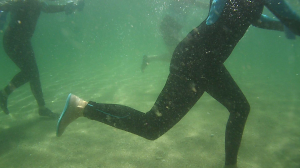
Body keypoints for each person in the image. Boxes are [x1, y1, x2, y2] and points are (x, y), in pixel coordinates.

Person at [56, 0, 300, 167]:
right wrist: (288, 23)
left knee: (240, 108)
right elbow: (288, 17)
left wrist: (282, 24)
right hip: (195, 60)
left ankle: (230, 165)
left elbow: (255, 17)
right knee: (152, 126)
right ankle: (81, 107)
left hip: (203, 61)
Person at [0, 0, 84, 118]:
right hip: (13, 42)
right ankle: (4, 94)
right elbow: (5, 6)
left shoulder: (36, 3)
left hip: (22, 42)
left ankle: (42, 108)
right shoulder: (22, 2)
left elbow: (47, 8)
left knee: (33, 73)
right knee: (30, 72)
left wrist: (67, 6)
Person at [141, 0, 209, 72]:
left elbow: (203, 5)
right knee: (176, 55)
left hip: (171, 29)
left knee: (176, 54)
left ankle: (148, 58)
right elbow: (202, 5)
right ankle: (149, 59)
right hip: (169, 29)